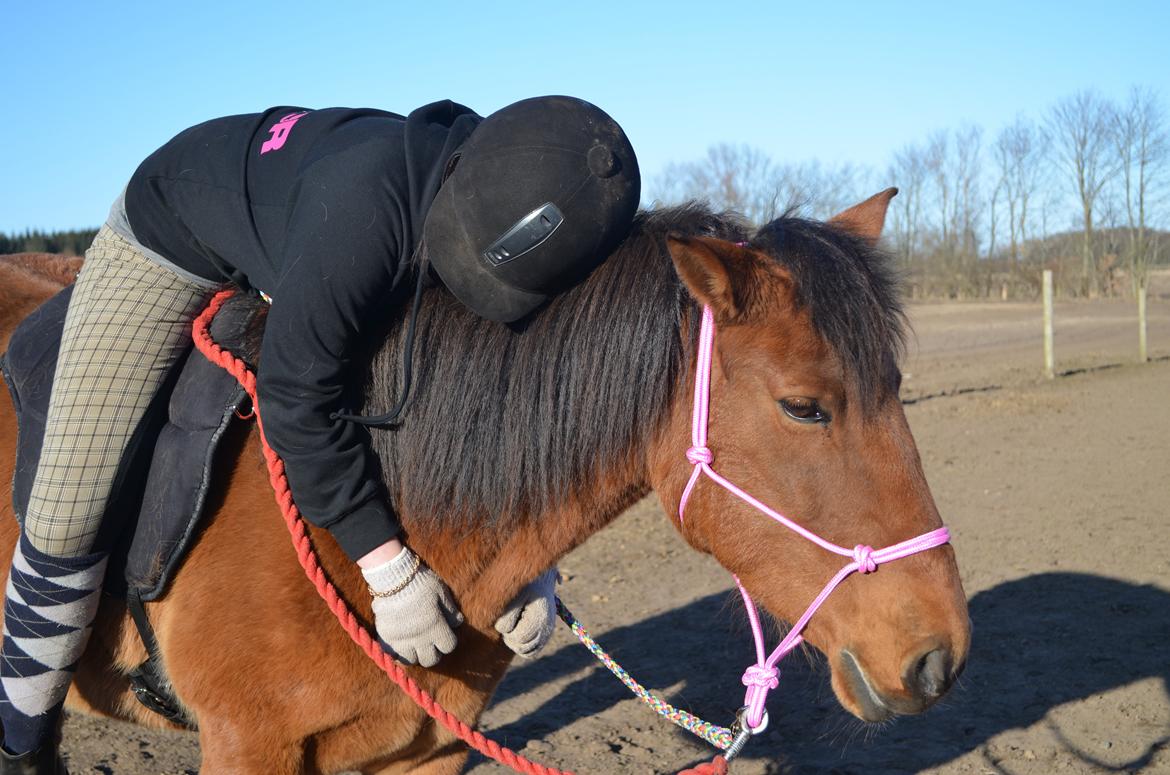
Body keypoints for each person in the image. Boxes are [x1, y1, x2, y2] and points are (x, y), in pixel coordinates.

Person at [0, 96, 640, 771]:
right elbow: (295, 397)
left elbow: (483, 416)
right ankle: (22, 743)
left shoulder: (515, 191)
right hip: (169, 233)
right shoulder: (365, 213)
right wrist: (388, 570)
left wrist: (533, 565)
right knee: (67, 510)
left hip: (307, 229)